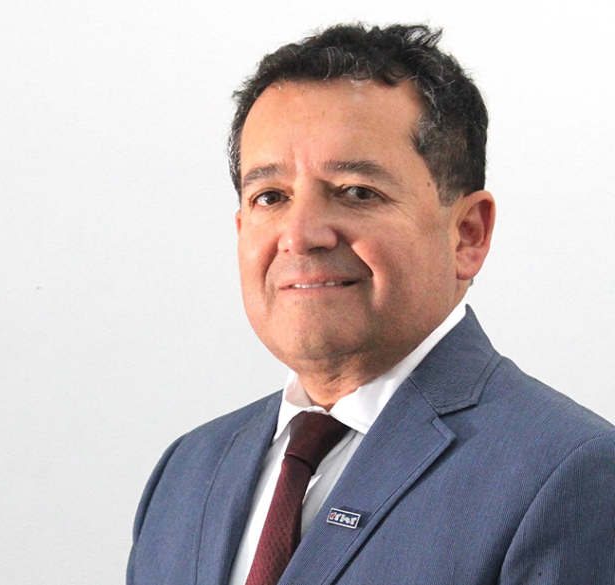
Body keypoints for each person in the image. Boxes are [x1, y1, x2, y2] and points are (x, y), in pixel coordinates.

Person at [127, 24, 615, 585]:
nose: (300, 235)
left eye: (357, 192)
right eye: (271, 197)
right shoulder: (187, 472)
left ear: (468, 234)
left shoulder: (569, 474)